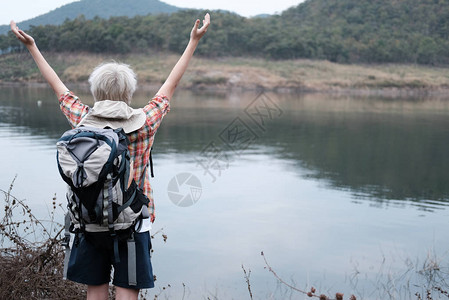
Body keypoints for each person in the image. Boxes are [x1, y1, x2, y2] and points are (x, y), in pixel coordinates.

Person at [10, 12, 210, 300]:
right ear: (130, 91)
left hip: (88, 221)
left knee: (96, 290)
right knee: (128, 290)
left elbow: (60, 90)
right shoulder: (146, 121)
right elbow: (170, 87)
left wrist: (32, 47)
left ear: (95, 91)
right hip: (134, 221)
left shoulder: (82, 120)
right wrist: (193, 42)